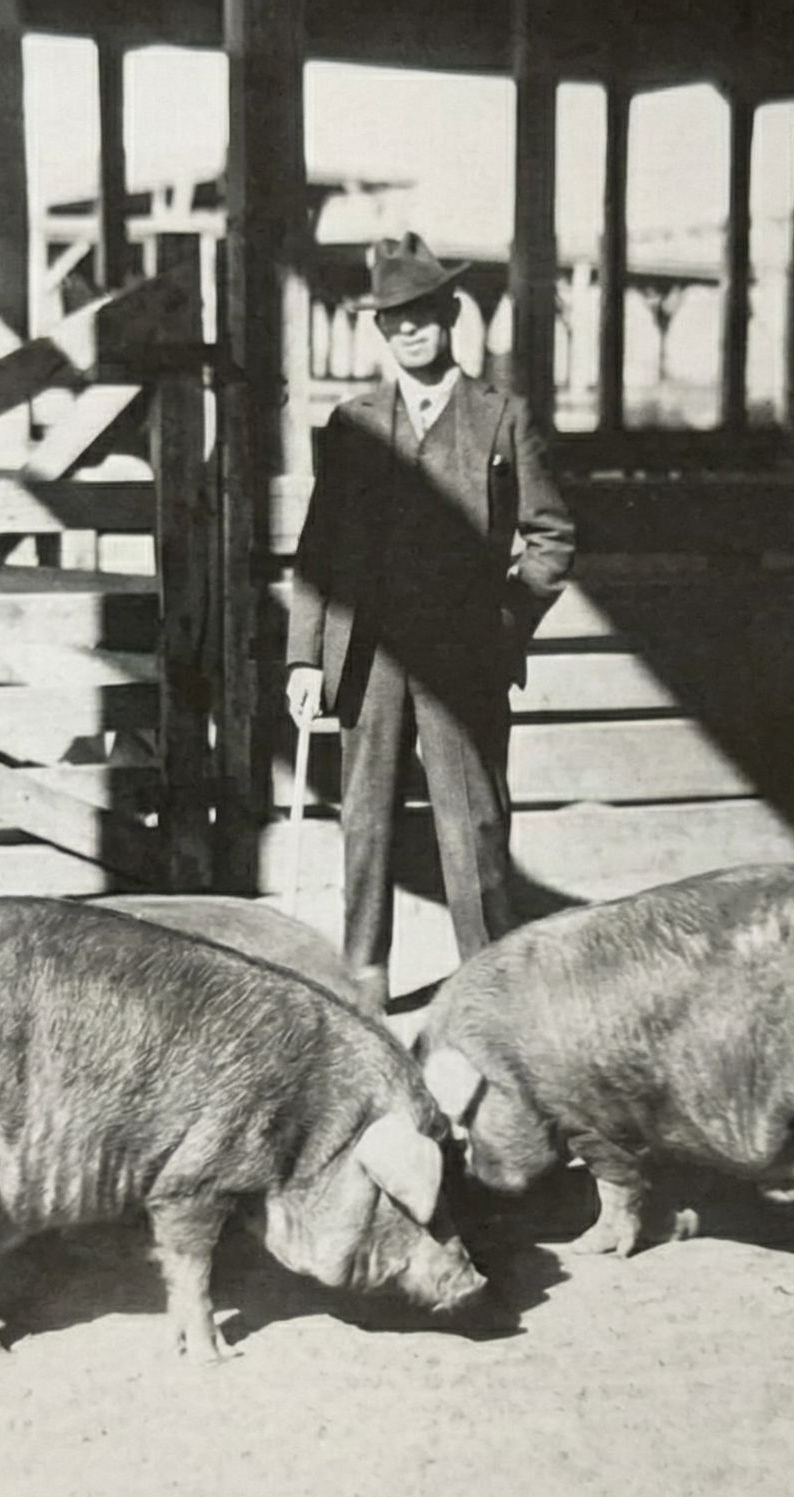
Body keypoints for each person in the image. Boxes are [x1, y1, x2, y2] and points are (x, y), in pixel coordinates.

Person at [283, 232, 577, 1014]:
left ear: (451, 315)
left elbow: (551, 538)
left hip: (463, 656)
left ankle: (488, 989)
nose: (409, 329)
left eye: (422, 313)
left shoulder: (503, 417)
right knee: (366, 819)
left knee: (473, 824)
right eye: (393, 319)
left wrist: (505, 623)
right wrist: (305, 661)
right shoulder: (352, 423)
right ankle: (364, 981)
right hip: (369, 651)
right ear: (378, 331)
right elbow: (318, 549)